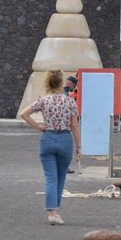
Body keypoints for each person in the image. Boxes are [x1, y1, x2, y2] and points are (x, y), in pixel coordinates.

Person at [20, 70, 81, 225]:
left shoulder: (43, 100)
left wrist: (39, 126)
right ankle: (55, 212)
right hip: (65, 138)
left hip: (47, 138)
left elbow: (24, 114)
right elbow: (74, 126)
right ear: (61, 83)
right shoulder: (70, 102)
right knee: (61, 177)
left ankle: (52, 211)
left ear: (48, 83)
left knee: (50, 177)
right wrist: (79, 147)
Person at [63, 75, 79, 174]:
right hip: (64, 126)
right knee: (65, 148)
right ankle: (65, 167)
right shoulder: (65, 94)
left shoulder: (72, 93)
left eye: (69, 84)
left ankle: (64, 166)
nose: (67, 85)